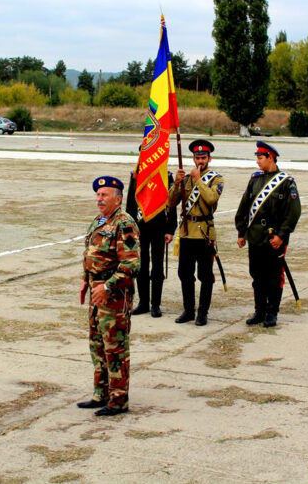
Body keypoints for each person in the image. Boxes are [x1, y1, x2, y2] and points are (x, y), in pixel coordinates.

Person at [79, 176, 140, 417]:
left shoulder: (124, 224)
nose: (99, 199)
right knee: (97, 344)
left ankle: (118, 399)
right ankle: (101, 393)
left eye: (104, 195)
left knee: (115, 348)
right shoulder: (99, 221)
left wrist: (107, 287)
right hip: (96, 292)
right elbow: (90, 253)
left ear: (118, 198)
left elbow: (131, 264)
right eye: (98, 194)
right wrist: (85, 280)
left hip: (114, 295)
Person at [235, 141, 301, 327]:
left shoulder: (286, 182)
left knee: (274, 277)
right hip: (255, 236)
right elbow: (244, 207)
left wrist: (281, 235)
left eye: (260, 157)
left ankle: (272, 313)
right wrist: (241, 232)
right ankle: (260, 311)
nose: (257, 161)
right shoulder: (255, 180)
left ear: (270, 158)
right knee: (257, 275)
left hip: (274, 239)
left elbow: (293, 212)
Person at [168, 139, 224, 326]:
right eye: (197, 157)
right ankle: (189, 310)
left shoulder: (216, 178)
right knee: (184, 273)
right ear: (193, 158)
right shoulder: (185, 178)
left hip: (204, 233)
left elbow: (211, 198)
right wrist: (177, 184)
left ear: (209, 158)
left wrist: (198, 179)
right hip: (186, 232)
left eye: (203, 157)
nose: (200, 161)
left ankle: (203, 312)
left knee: (205, 275)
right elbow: (170, 202)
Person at [125, 168, 177, 318]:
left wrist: (170, 229)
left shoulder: (165, 175)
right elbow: (131, 202)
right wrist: (129, 228)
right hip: (140, 226)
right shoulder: (136, 174)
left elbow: (172, 204)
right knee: (141, 266)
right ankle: (143, 303)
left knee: (157, 266)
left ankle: (155, 304)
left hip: (159, 226)